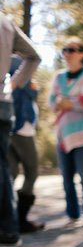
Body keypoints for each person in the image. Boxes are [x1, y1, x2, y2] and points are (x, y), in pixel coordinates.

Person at [49, 37, 83, 228]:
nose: (67, 53)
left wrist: (66, 102)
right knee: (66, 177)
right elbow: (51, 102)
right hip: (64, 134)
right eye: (65, 50)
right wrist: (71, 101)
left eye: (72, 49)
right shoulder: (58, 76)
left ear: (82, 53)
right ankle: (72, 215)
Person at [0, 13, 40, 247]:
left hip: (13, 113)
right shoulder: (5, 22)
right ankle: (9, 227)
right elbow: (34, 56)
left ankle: (9, 227)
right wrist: (13, 83)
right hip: (4, 105)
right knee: (5, 167)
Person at [8, 55, 45, 232]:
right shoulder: (16, 61)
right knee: (31, 172)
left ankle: (9, 220)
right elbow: (28, 91)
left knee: (11, 173)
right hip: (22, 126)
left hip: (7, 125)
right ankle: (20, 220)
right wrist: (32, 88)